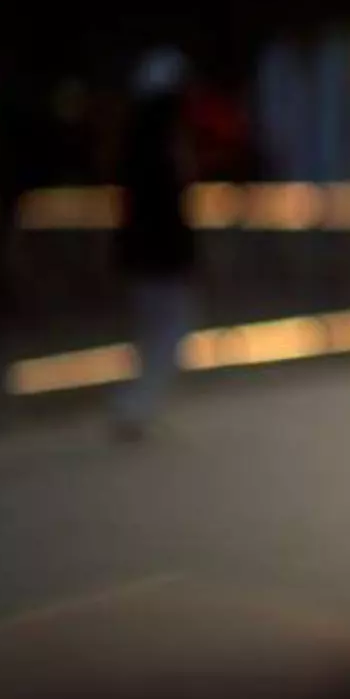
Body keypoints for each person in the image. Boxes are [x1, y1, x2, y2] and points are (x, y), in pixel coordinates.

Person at [112, 46, 198, 440]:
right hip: (160, 256)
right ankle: (136, 405)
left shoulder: (135, 143)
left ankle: (139, 405)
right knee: (169, 331)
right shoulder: (161, 146)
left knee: (151, 333)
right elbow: (171, 208)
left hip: (140, 254)